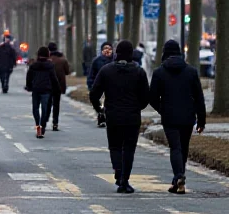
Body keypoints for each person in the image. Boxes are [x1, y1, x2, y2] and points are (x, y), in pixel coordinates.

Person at [89, 39, 150, 193]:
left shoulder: (106, 70)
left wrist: (100, 110)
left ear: (117, 53)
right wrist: (138, 107)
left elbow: (94, 94)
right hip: (132, 116)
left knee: (115, 146)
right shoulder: (139, 72)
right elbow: (145, 96)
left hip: (113, 115)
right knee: (129, 149)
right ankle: (125, 180)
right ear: (131, 54)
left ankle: (118, 171)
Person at [149, 39, 206, 194]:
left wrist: (163, 110)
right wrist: (201, 120)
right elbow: (199, 97)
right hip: (188, 116)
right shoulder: (191, 71)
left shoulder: (159, 72)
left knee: (175, 147)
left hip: (170, 117)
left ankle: (178, 177)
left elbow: (152, 97)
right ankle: (178, 179)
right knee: (184, 148)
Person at [26, 46, 60, 138]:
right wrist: (57, 88)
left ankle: (38, 125)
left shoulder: (33, 66)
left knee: (35, 108)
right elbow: (53, 78)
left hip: (36, 89)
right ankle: (42, 125)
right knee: (45, 109)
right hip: (46, 89)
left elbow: (29, 77)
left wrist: (29, 86)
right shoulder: (50, 66)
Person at [87, 41, 114, 126]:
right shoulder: (96, 61)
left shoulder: (115, 60)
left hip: (112, 86)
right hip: (99, 85)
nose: (107, 51)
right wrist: (90, 84)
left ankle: (104, 118)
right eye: (105, 48)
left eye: (109, 49)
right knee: (96, 101)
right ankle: (101, 113)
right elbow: (91, 74)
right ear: (101, 51)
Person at [47, 42, 70, 131]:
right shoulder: (62, 60)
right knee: (56, 104)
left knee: (48, 103)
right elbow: (67, 72)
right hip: (59, 85)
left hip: (48, 85)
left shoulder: (46, 60)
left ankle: (45, 120)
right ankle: (55, 123)